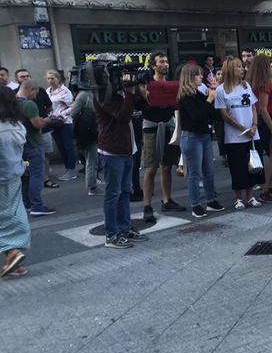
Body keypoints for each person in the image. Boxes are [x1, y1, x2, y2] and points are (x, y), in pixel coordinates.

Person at [95, 70, 149, 249]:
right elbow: (123, 116)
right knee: (113, 194)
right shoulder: (103, 96)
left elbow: (144, 107)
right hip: (112, 151)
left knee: (125, 191)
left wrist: (138, 90)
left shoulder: (121, 94)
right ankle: (111, 235)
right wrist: (129, 93)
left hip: (126, 149)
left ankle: (125, 229)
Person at [141, 52, 185, 223]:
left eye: (166, 61)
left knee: (166, 166)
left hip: (168, 124)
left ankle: (167, 200)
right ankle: (147, 205)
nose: (165, 64)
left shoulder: (171, 85)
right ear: (153, 65)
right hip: (152, 127)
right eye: (161, 61)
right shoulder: (147, 84)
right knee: (151, 168)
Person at [176, 63, 224, 218]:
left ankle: (211, 199)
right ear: (190, 77)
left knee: (209, 170)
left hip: (204, 135)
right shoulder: (185, 96)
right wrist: (209, 100)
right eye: (197, 74)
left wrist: (213, 97)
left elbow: (212, 115)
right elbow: (197, 115)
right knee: (194, 173)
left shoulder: (199, 93)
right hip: (191, 136)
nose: (201, 77)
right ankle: (195, 203)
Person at [215, 56, 262, 209]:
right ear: (230, 70)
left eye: (242, 67)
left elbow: (253, 107)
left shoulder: (245, 86)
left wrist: (254, 125)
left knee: (251, 166)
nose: (242, 69)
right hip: (234, 137)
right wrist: (242, 128)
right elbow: (224, 114)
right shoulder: (221, 90)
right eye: (238, 67)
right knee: (237, 168)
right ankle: (238, 197)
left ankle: (250, 196)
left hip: (251, 134)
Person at [0, 87, 31, 277]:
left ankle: (12, 252)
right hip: (13, 176)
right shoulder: (18, 125)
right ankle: (13, 263)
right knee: (13, 214)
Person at [16, 80, 55, 216]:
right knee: (36, 175)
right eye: (35, 93)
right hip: (33, 143)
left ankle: (27, 204)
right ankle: (37, 206)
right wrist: (48, 120)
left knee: (25, 176)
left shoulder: (12, 103)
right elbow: (38, 125)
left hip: (20, 144)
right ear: (30, 89)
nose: (35, 96)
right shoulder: (29, 104)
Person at [251, 55, 272, 202]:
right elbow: (263, 109)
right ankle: (265, 189)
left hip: (264, 121)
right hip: (268, 120)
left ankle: (270, 185)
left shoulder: (254, 82)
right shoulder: (265, 84)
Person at [69, 77, 100, 195]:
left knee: (93, 159)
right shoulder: (84, 95)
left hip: (92, 130)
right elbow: (73, 113)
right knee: (91, 159)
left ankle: (94, 183)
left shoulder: (87, 94)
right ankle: (92, 186)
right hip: (88, 131)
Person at [46, 70, 77, 181]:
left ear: (58, 79)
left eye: (52, 78)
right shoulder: (48, 91)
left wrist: (61, 114)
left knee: (68, 146)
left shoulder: (65, 91)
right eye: (48, 78)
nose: (50, 81)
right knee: (61, 147)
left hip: (65, 122)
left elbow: (72, 106)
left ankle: (71, 170)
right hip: (53, 122)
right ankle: (67, 169)